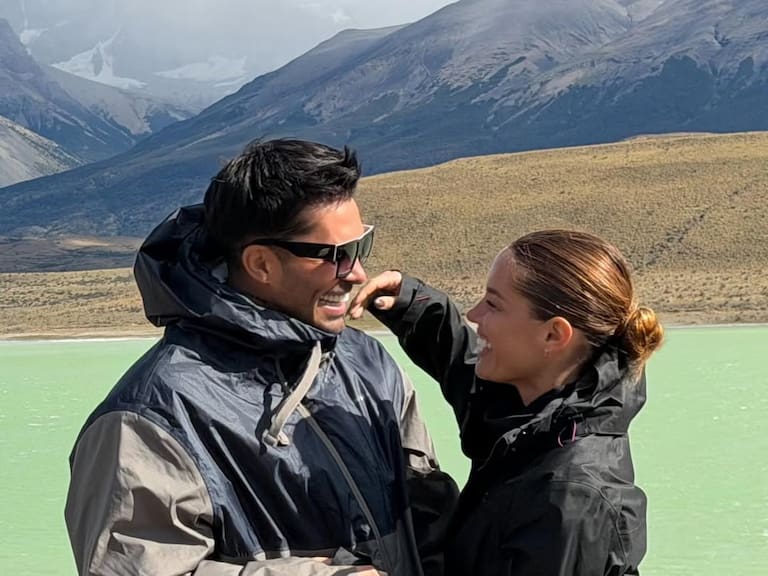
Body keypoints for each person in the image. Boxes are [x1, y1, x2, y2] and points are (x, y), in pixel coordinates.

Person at [65, 139, 458, 576]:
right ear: (260, 264)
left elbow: (431, 527)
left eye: (360, 247)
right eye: (336, 256)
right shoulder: (149, 415)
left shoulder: (368, 362)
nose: (357, 273)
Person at [349, 229, 664, 576]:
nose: (473, 314)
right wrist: (414, 303)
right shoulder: (548, 412)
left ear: (553, 335)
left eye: (493, 304)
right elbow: (469, 374)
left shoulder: (569, 497)